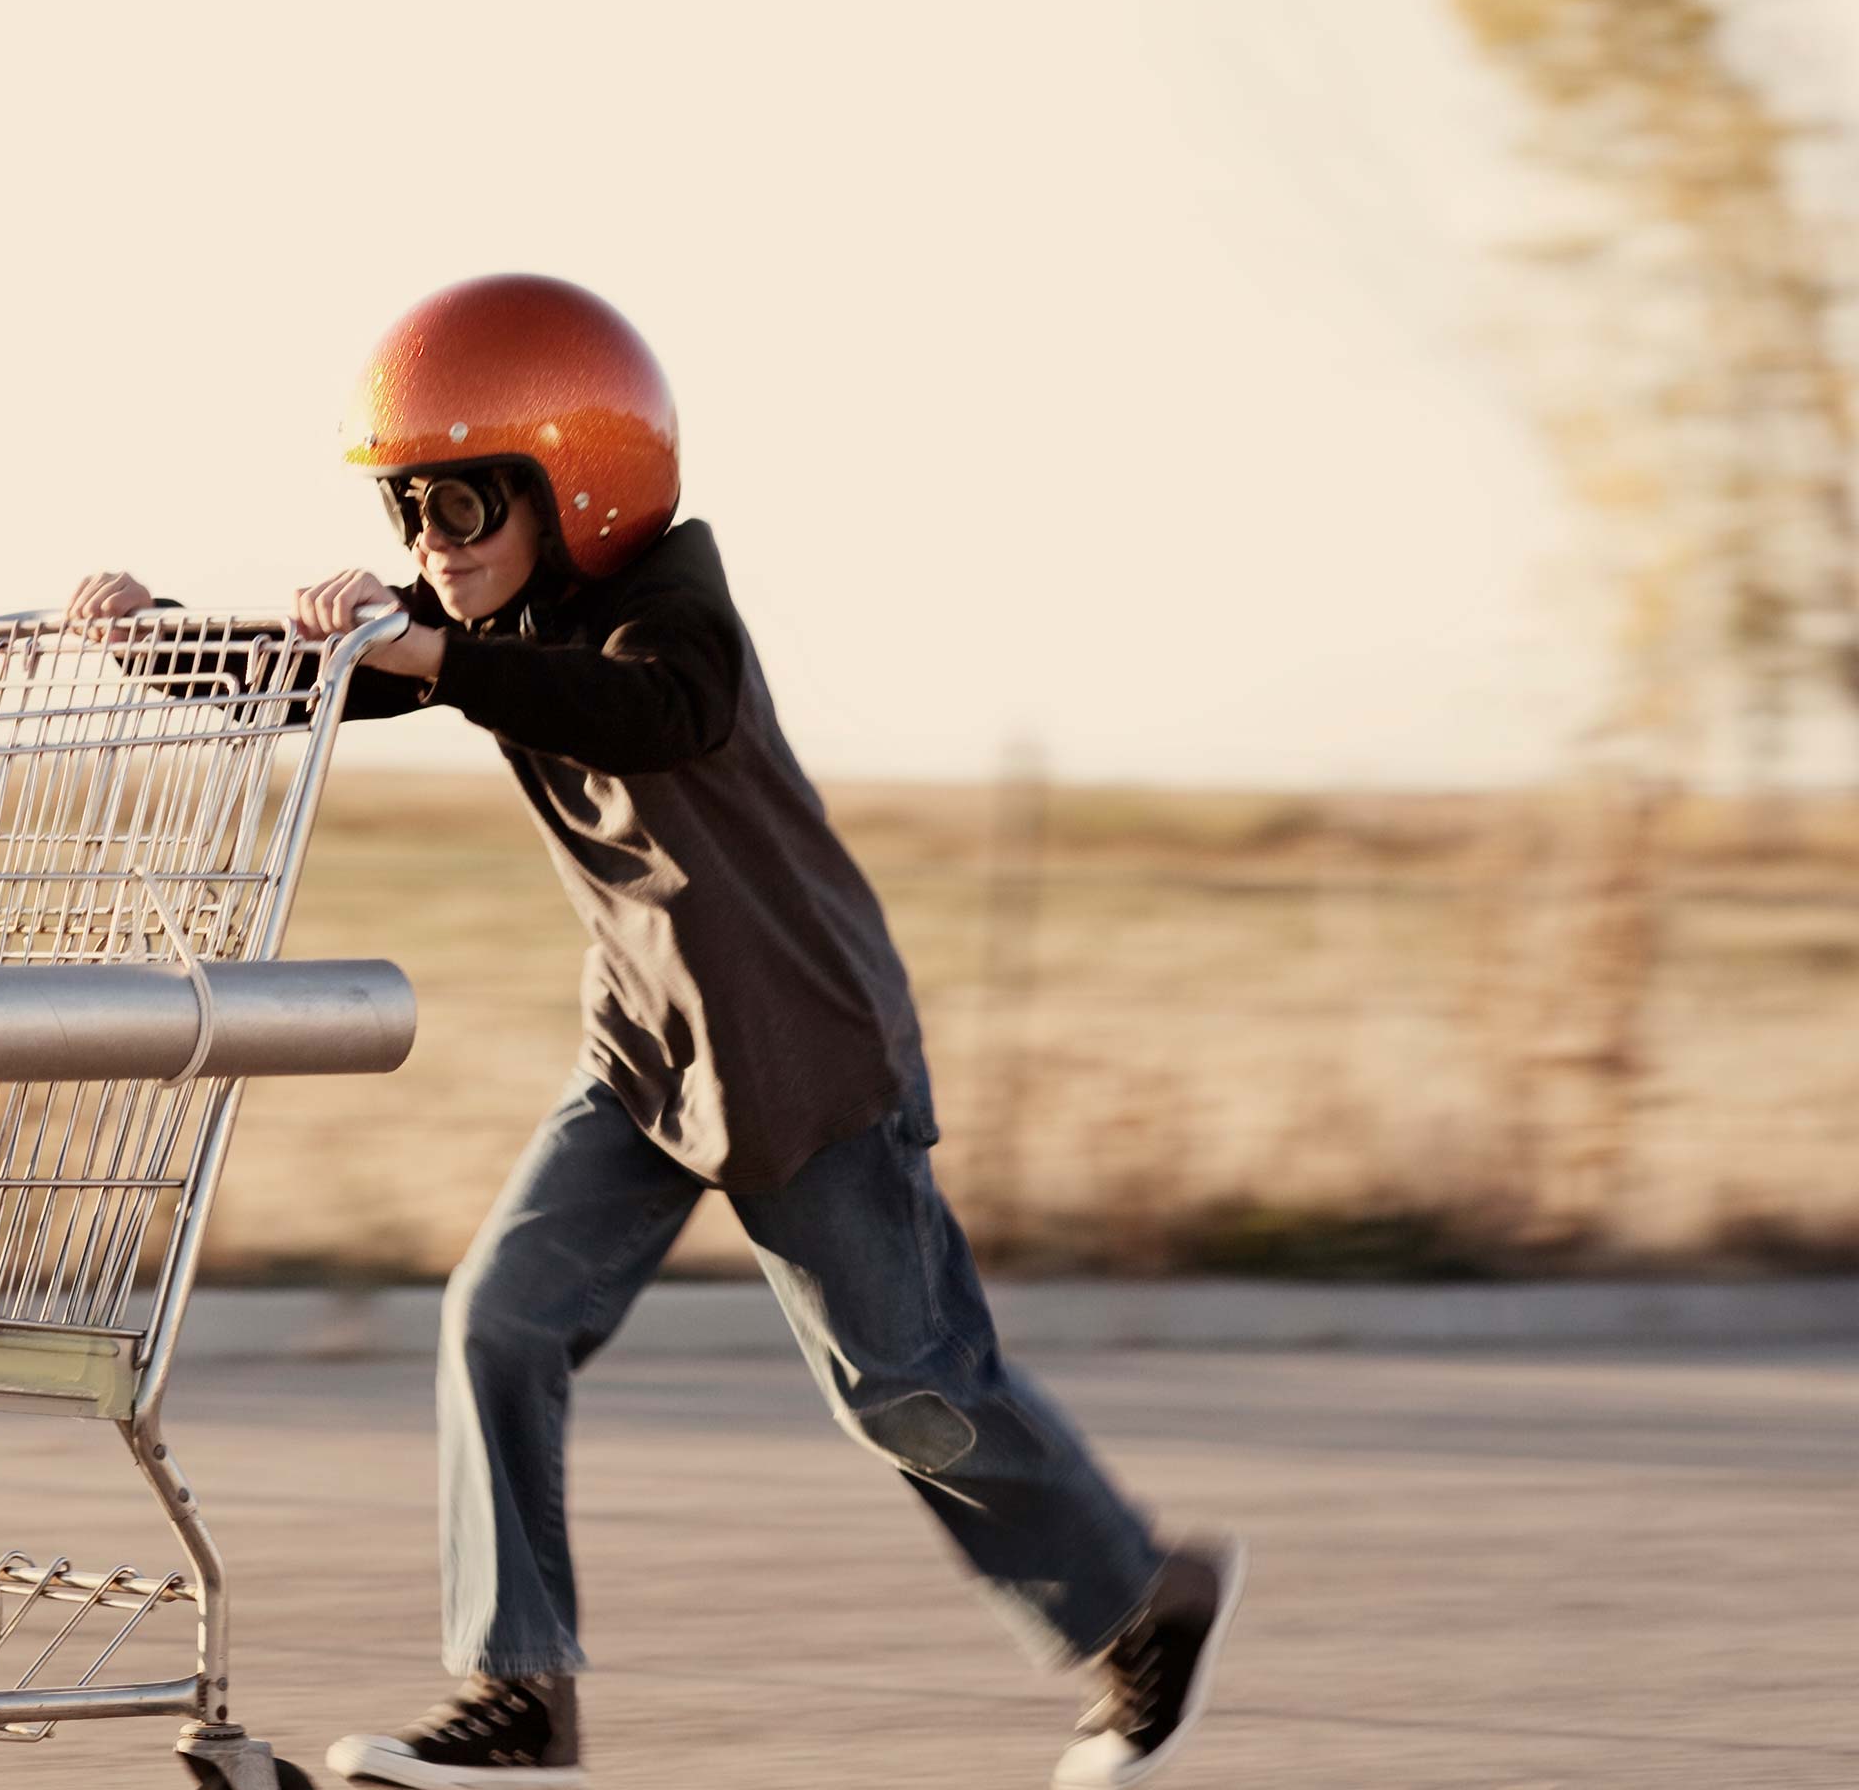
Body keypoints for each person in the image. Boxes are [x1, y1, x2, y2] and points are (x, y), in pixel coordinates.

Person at [67, 275, 1243, 1790]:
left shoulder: (671, 612)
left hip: (801, 1054)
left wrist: (427, 653)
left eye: (462, 506)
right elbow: (310, 688)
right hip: (646, 1052)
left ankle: (1145, 1609)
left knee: (907, 1391)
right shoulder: (495, 607)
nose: (428, 547)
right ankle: (519, 1698)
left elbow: (651, 715)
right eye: (407, 511)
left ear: (575, 488)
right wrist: (151, 633)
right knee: (498, 1318)